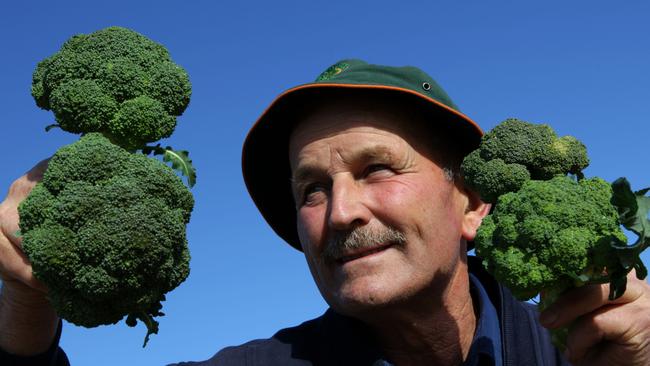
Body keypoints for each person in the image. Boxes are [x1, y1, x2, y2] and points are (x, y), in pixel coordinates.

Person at [1, 59, 649, 365]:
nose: (339, 212)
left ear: (474, 203)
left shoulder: (600, 350)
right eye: (310, 189)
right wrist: (26, 308)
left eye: (377, 169)